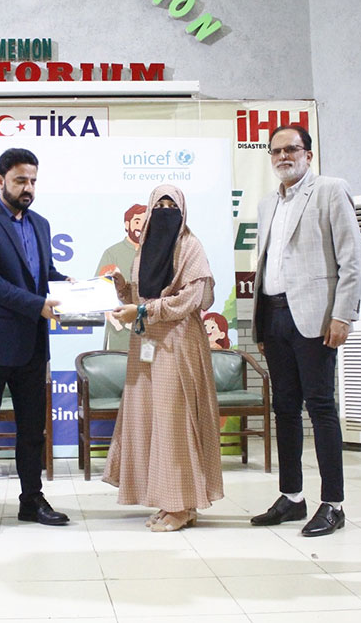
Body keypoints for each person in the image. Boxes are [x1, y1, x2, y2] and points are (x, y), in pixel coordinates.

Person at [250, 124, 361, 537]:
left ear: (308, 154)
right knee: (284, 409)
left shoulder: (330, 190)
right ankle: (292, 497)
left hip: (316, 318)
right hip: (275, 315)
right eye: (276, 151)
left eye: (291, 149)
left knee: (320, 407)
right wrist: (260, 324)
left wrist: (343, 315)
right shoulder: (267, 204)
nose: (283, 156)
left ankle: (333, 504)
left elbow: (352, 258)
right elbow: (266, 264)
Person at [0, 147, 71, 535]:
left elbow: (43, 273)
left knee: (32, 432)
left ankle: (31, 500)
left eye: (33, 181)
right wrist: (38, 305)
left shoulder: (41, 224)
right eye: (20, 180)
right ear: (0, 181)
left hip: (31, 345)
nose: (28, 188)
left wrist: (71, 287)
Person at [102, 185, 223, 532]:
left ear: (183, 212)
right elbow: (141, 295)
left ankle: (181, 506)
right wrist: (122, 286)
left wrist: (143, 310)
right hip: (147, 344)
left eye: (172, 206)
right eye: (160, 205)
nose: (166, 211)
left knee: (175, 423)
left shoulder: (190, 246)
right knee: (152, 421)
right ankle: (171, 500)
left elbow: (190, 299)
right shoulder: (145, 248)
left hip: (178, 343)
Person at [95, 203, 147, 351]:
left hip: (151, 333)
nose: (141, 226)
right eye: (137, 221)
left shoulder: (157, 254)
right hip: (120, 332)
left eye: (145, 222)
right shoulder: (112, 253)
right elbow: (99, 290)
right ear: (127, 224)